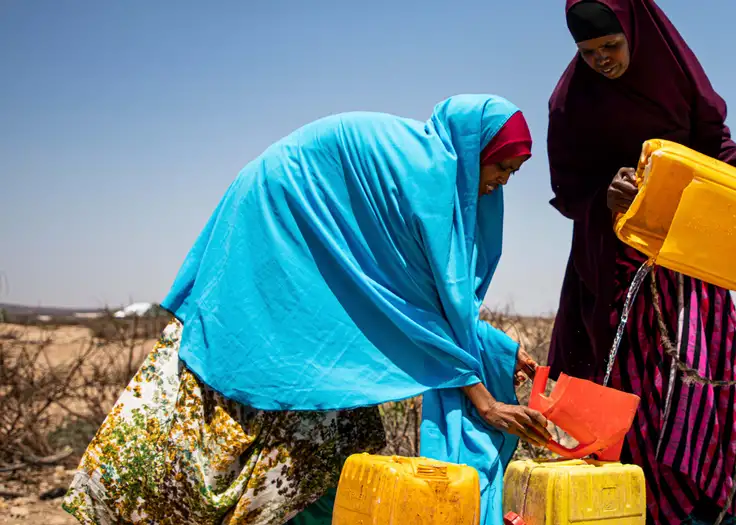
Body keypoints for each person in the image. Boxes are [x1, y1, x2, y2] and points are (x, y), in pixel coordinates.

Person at [63, 94, 552, 525]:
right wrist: (484, 400)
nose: (501, 183)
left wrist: (497, 351)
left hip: (306, 274)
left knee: (336, 436)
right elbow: (404, 306)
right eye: (499, 167)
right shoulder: (420, 181)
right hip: (274, 248)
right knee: (235, 422)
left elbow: (422, 301)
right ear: (472, 152)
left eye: (512, 173)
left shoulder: (431, 179)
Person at [545, 2, 736, 524]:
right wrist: (603, 196)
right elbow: (569, 192)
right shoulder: (570, 105)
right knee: (642, 402)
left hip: (693, 269)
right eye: (588, 52)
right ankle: (652, 513)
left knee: (704, 394)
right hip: (623, 280)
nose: (602, 60)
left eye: (611, 47)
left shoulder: (675, 76)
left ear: (635, 31)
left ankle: (709, 511)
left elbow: (713, 147)